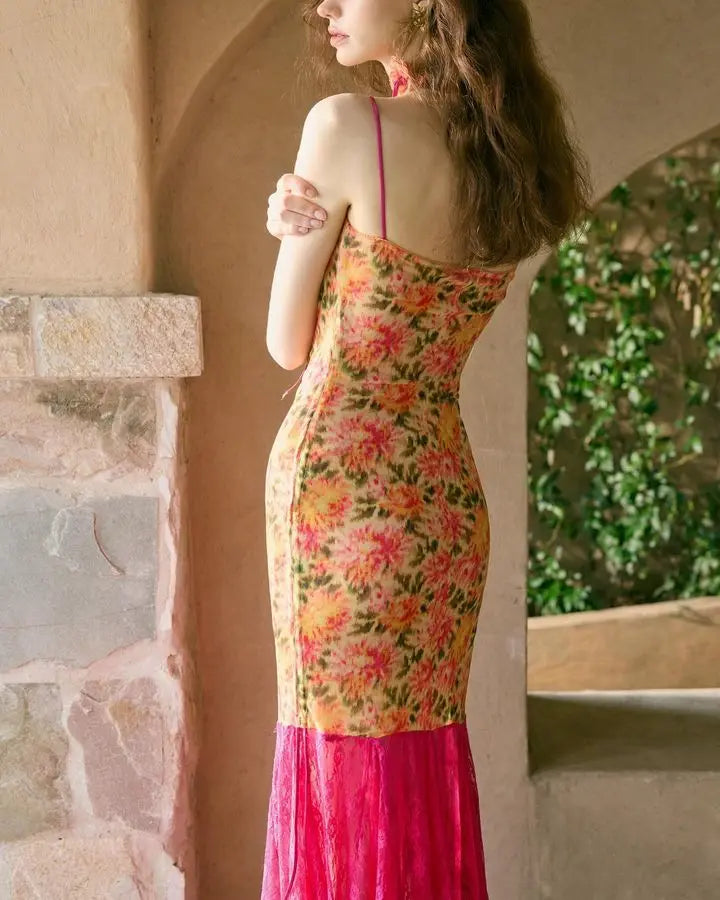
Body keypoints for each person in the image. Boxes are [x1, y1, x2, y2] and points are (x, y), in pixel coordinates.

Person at [262, 1, 593, 897]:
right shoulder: (510, 158)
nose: (324, 6)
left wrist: (292, 233)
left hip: (338, 491)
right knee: (419, 753)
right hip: (442, 501)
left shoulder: (346, 126)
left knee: (336, 756)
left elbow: (287, 342)